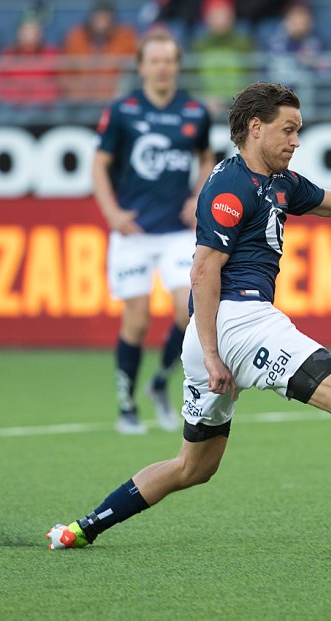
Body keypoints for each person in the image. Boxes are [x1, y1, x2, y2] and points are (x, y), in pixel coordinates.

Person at [46, 81, 331, 550]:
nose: (296, 141)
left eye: (298, 130)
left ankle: (82, 528)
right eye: (289, 129)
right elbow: (203, 271)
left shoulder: (281, 183)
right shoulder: (229, 185)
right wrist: (213, 354)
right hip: (236, 321)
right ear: (256, 128)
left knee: (193, 467)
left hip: (217, 334)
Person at [92, 29, 216, 435]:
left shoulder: (194, 111)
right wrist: (112, 213)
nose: (162, 68)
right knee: (138, 319)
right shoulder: (123, 110)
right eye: (155, 60)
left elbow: (206, 158)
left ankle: (160, 380)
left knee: (188, 310)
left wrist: (197, 197)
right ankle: (126, 404)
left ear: (178, 66)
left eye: (169, 60)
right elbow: (99, 164)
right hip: (134, 232)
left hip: (177, 232)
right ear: (142, 67)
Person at [61, 1, 139, 103]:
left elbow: (134, 68)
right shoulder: (76, 37)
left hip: (113, 98)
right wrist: (76, 91)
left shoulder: (125, 37)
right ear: (91, 19)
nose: (102, 23)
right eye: (99, 18)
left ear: (112, 20)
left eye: (105, 18)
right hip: (80, 101)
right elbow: (64, 71)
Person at [191, 0, 252, 117]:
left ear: (232, 16)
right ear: (206, 18)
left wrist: (242, 99)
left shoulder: (243, 44)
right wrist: (202, 99)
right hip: (208, 104)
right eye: (215, 15)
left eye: (224, 14)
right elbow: (191, 79)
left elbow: (253, 75)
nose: (220, 20)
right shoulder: (199, 45)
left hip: (241, 104)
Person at [0, 16, 61, 108]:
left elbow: (60, 83)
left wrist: (40, 96)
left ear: (40, 33)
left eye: (33, 30)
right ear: (19, 32)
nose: (29, 34)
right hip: (14, 107)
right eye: (26, 30)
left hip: (44, 108)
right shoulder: (8, 54)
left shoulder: (51, 53)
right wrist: (17, 96)